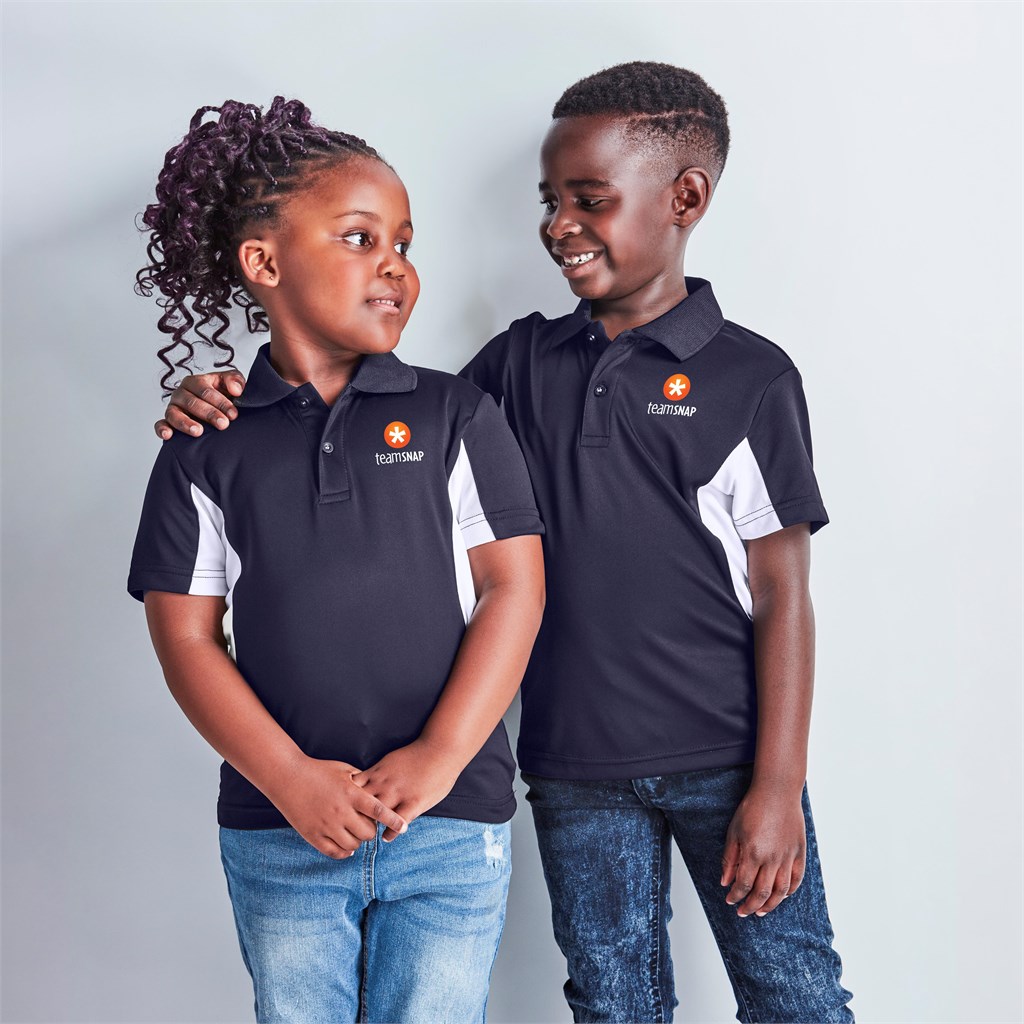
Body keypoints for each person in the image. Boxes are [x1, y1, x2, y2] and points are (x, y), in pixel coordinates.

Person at [150, 64, 854, 1024]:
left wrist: (778, 783)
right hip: (572, 766)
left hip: (729, 756)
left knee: (794, 994)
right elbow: (372, 404)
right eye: (550, 201)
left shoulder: (752, 378)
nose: (559, 225)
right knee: (613, 1003)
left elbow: (783, 593)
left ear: (685, 199)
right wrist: (214, 398)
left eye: (588, 200)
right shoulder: (516, 366)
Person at [127, 97, 545, 1024]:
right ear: (264, 263)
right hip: (280, 831)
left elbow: (513, 588)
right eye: (361, 238)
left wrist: (439, 756)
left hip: (449, 819)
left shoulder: (456, 415)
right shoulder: (205, 446)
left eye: (404, 242)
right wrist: (288, 777)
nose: (395, 264)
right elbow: (185, 637)